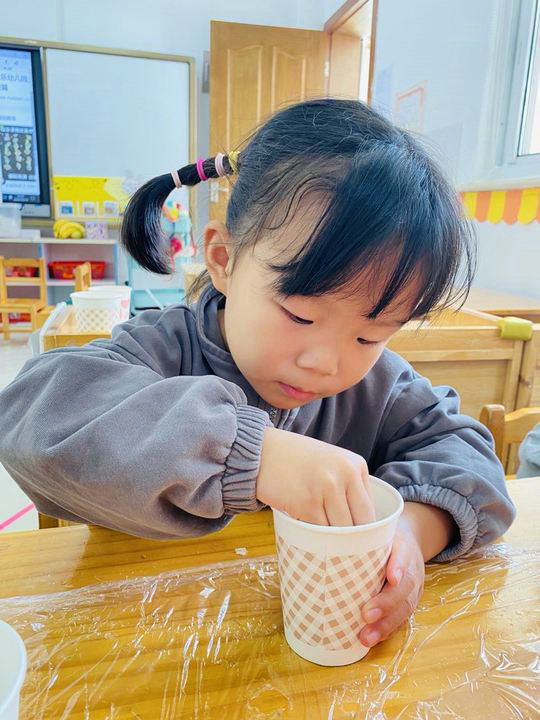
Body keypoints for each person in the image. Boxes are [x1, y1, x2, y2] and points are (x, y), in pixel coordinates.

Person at [0, 99, 515, 650]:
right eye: (299, 315)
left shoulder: (379, 386)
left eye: (370, 336)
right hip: (136, 634)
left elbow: (468, 455)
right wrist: (254, 454)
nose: (325, 362)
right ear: (223, 259)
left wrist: (410, 531)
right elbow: (31, 415)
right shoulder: (163, 349)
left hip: (307, 647)